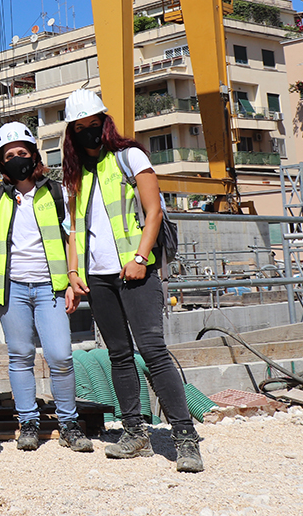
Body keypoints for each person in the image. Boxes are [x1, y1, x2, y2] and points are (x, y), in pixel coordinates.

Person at [62, 88, 203, 472]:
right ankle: (135, 432)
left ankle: (185, 438)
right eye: (80, 128)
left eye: (94, 125)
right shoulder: (74, 175)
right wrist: (73, 274)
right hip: (98, 277)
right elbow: (73, 230)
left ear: (104, 123)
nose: (88, 132)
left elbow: (154, 209)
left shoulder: (130, 156)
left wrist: (142, 257)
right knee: (118, 355)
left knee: (153, 351)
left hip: (136, 271)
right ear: (71, 133)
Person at [0, 121, 92, 453]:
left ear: (33, 155)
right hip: (11, 288)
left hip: (51, 288)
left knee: (59, 355)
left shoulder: (56, 191)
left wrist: (73, 279)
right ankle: (27, 421)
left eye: (22, 152)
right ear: (2, 161)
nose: (17, 158)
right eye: (10, 154)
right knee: (20, 356)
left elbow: (73, 238)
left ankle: (68, 423)